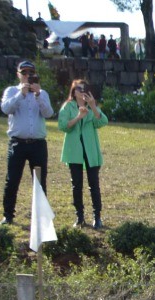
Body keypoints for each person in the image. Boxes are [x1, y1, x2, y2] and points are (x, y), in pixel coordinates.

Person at [0, 60, 54, 227]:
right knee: (12, 179)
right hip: (18, 143)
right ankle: (8, 215)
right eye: (24, 73)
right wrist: (21, 94)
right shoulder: (11, 91)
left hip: (37, 144)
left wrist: (37, 96)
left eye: (30, 73)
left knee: (39, 181)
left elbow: (49, 113)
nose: (27, 76)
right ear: (18, 74)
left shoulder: (42, 93)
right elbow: (5, 109)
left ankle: (40, 216)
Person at [57, 79, 108, 230]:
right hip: (74, 151)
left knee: (94, 185)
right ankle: (79, 217)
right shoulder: (68, 107)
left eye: (84, 88)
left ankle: (97, 217)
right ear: (73, 92)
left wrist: (93, 106)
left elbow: (103, 121)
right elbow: (62, 126)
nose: (82, 91)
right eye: (78, 88)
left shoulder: (92, 107)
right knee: (76, 185)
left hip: (90, 151)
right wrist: (78, 117)